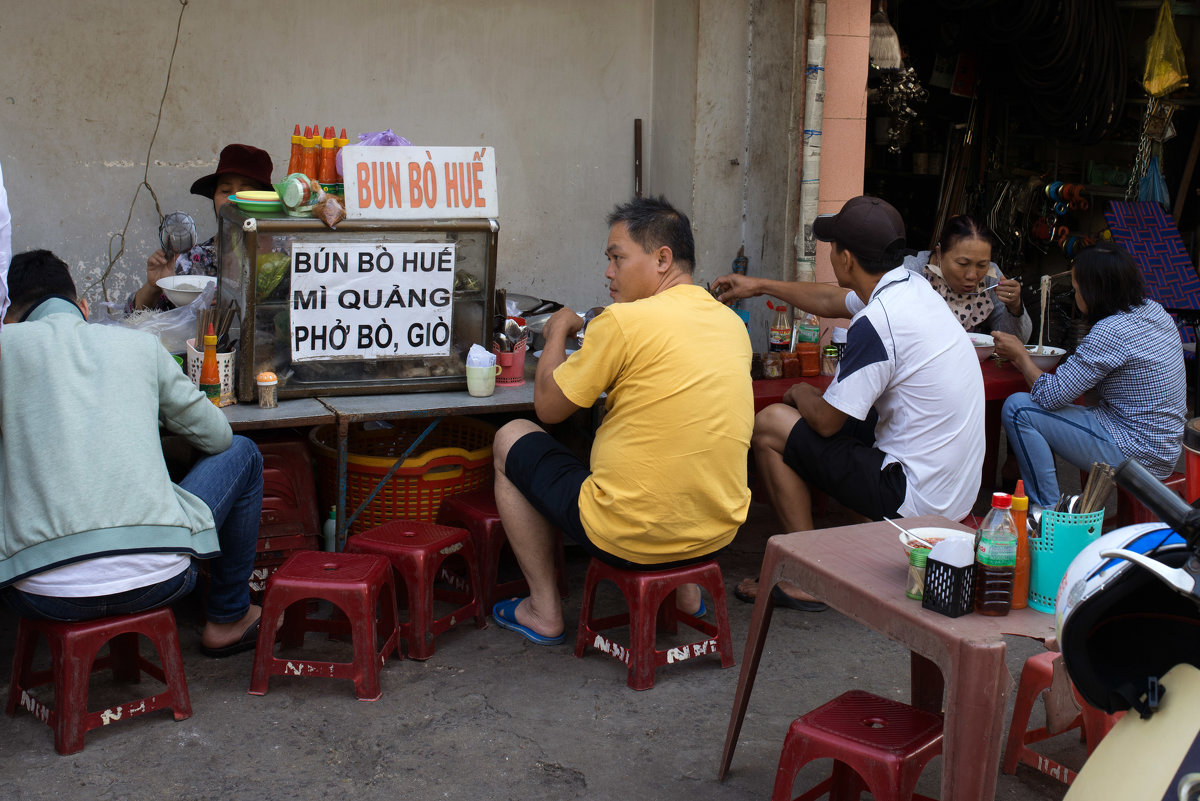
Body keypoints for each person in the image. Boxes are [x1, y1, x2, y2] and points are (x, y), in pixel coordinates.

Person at [489, 195, 754, 645]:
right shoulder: (730, 322)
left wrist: (556, 333)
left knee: (510, 437)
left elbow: (549, 408)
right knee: (673, 443)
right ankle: (687, 596)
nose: (609, 272)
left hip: (628, 534)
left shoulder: (624, 321)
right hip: (717, 528)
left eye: (617, 258)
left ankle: (543, 609)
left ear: (662, 259)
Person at [713, 196, 985, 609]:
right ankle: (843, 547)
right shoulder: (910, 288)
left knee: (771, 423)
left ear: (845, 258)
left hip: (917, 498)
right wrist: (759, 285)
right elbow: (829, 301)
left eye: (832, 247)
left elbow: (825, 423)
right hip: (954, 489)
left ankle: (808, 575)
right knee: (835, 416)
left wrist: (802, 391)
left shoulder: (879, 322)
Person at [0, 250, 264, 657]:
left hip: (40, 591)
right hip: (162, 580)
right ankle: (228, 618)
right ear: (83, 307)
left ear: (8, 316)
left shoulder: (5, 345)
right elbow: (217, 437)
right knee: (244, 452)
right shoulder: (139, 345)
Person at [995, 241, 1186, 510]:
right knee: (1053, 407)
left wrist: (1020, 356)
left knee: (1017, 409)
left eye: (1076, 289)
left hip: (1138, 453)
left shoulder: (1111, 331)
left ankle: (1047, 514)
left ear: (1094, 291)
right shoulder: (1155, 311)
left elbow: (1051, 395)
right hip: (1164, 448)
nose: (1075, 297)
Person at [127, 143, 273, 311]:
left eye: (246, 191)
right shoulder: (190, 261)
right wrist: (154, 286)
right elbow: (135, 319)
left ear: (265, 199)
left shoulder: (286, 257)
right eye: (225, 190)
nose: (233, 199)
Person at [903, 214, 1031, 341]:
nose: (972, 276)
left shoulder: (990, 276)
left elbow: (1015, 343)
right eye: (963, 264)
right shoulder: (910, 272)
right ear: (939, 253)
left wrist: (1015, 307)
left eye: (982, 265)